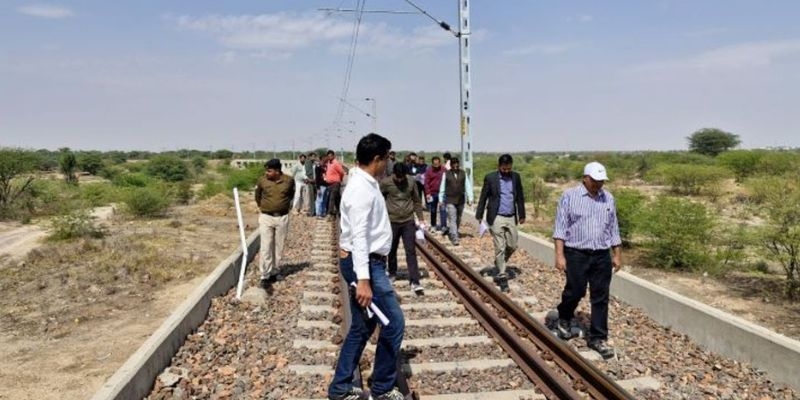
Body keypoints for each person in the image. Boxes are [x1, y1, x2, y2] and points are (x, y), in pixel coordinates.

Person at [328, 133, 405, 400]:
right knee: (394, 323)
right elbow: (359, 236)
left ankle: (340, 389)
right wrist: (363, 280)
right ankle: (382, 389)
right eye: (386, 158)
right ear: (377, 159)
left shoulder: (366, 183)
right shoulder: (361, 188)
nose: (388, 163)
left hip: (369, 263)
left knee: (361, 328)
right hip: (367, 265)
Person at [552, 161, 622, 359]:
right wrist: (559, 255)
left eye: (601, 181)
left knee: (601, 296)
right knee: (576, 290)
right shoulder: (569, 196)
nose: (598, 185)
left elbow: (613, 228)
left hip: (601, 254)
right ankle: (564, 315)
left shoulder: (608, 198)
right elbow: (560, 228)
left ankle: (598, 337)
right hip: (576, 253)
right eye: (595, 181)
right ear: (585, 178)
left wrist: (616, 254)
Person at [475, 154, 526, 293]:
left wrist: (522, 214)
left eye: (509, 169)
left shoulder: (516, 177)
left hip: (511, 216)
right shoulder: (490, 178)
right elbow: (483, 196)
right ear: (499, 167)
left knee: (512, 244)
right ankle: (502, 276)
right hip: (496, 216)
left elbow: (520, 196)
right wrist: (479, 214)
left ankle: (499, 263)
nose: (506, 171)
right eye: (504, 169)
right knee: (500, 246)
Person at [381, 163, 425, 294]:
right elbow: (377, 198)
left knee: (410, 251)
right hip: (392, 221)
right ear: (393, 174)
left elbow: (417, 201)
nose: (400, 180)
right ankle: (392, 273)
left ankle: (415, 281)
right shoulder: (385, 183)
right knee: (391, 249)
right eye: (398, 177)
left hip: (408, 221)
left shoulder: (411, 182)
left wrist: (421, 218)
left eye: (402, 177)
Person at [254, 159, 295, 288]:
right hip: (266, 217)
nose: (266, 173)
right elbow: (257, 196)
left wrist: (283, 207)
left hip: (282, 218)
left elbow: (291, 195)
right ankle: (265, 275)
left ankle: (275, 271)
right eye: (266, 170)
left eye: (269, 171)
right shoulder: (262, 181)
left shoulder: (289, 181)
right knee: (266, 246)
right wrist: (263, 207)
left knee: (279, 246)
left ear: (277, 171)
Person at [438, 157, 473, 246]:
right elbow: (442, 186)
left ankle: (454, 231)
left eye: (457, 163)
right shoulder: (446, 174)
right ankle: (454, 237)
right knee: (452, 218)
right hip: (450, 199)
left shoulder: (463, 173)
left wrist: (470, 198)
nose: (455, 165)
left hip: (460, 199)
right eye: (453, 164)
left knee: (458, 218)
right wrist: (441, 199)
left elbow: (467, 186)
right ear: (451, 165)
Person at [423, 156, 445, 231]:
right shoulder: (429, 171)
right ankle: (433, 225)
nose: (436, 166)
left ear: (440, 163)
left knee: (443, 210)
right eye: (435, 164)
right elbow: (426, 183)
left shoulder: (443, 170)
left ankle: (443, 226)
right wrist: (428, 193)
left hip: (442, 193)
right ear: (432, 164)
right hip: (432, 193)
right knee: (433, 210)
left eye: (438, 164)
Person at [325, 150, 346, 218]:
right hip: (329, 184)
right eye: (328, 156)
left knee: (332, 197)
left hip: (335, 183)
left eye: (331, 156)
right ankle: (340, 211)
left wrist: (340, 179)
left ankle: (329, 213)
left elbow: (342, 172)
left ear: (333, 156)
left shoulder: (336, 163)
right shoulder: (328, 163)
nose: (329, 157)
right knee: (337, 199)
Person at [315, 153, 329, 218]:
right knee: (319, 200)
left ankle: (323, 212)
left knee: (325, 200)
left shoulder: (326, 166)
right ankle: (318, 213)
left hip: (326, 185)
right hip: (321, 186)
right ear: (321, 159)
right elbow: (317, 178)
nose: (326, 159)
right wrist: (318, 188)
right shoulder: (318, 167)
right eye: (324, 158)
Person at [305, 152, 318, 216]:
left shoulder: (315, 163)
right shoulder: (307, 163)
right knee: (311, 197)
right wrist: (309, 179)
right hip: (310, 181)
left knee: (316, 197)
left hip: (315, 181)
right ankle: (312, 212)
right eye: (312, 156)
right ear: (309, 157)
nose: (314, 158)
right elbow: (307, 173)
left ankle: (315, 211)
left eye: (314, 156)